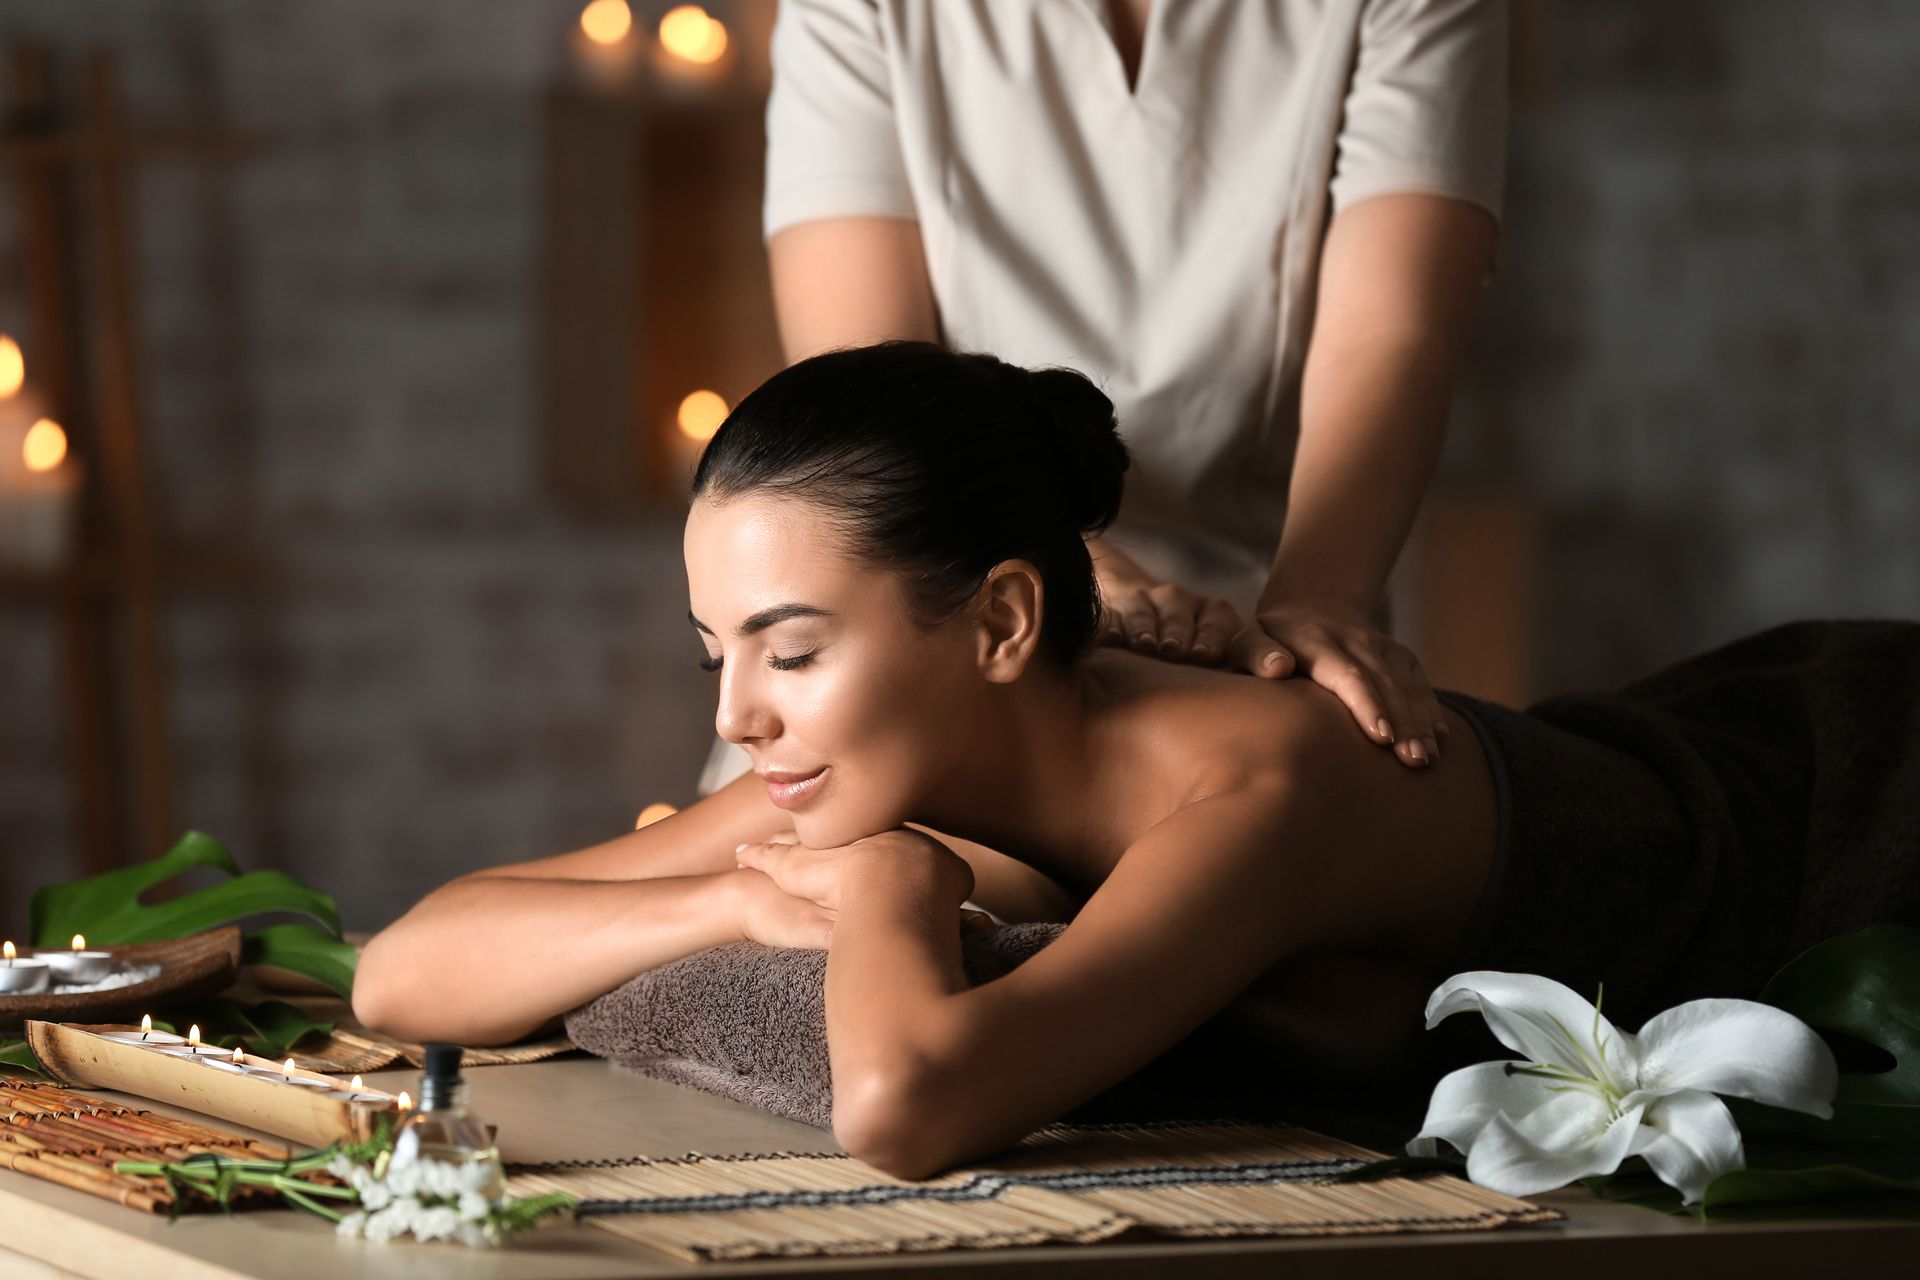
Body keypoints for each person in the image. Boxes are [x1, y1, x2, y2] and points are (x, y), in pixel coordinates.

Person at [353, 345, 1920, 1179]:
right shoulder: (866, 754)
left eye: (795, 646)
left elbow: (906, 1110)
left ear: (1002, 620)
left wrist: (887, 890)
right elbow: (410, 968)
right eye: (723, 655)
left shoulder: (1251, 793)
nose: (744, 714)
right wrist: (729, 908)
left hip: (1839, 808)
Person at [759, 0, 1510, 770]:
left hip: (1270, 637)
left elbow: (1388, 332)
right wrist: (1073, 568)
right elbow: (871, 390)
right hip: (956, 601)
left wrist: (1320, 600)